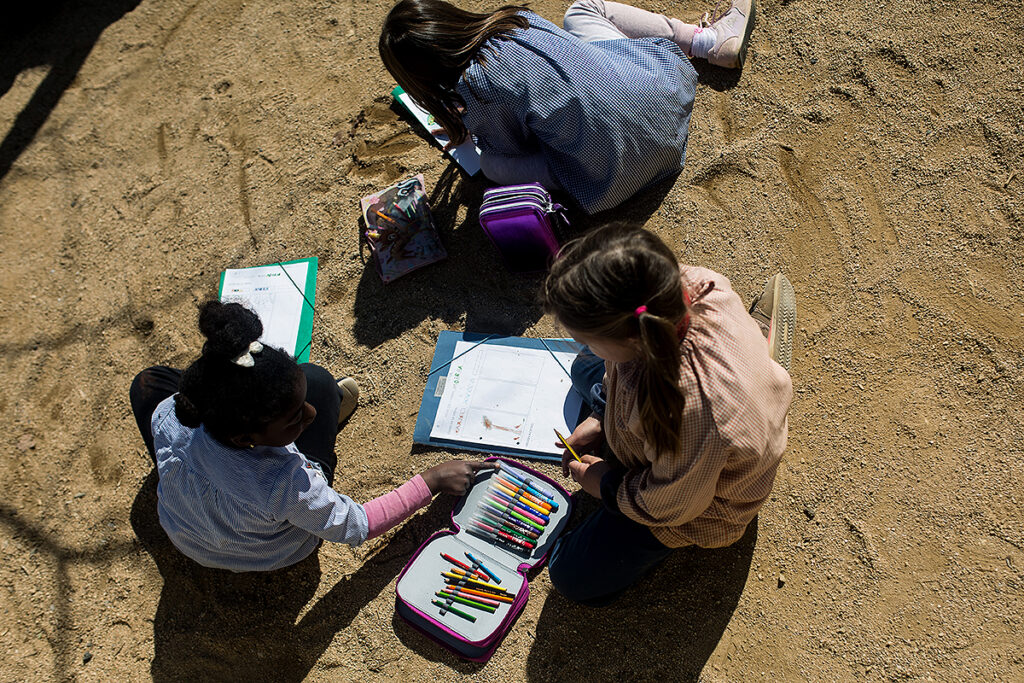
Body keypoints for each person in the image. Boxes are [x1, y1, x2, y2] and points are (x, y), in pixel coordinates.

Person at [129, 300, 494, 572]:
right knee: (319, 382)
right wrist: (430, 480)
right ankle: (318, 399)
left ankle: (247, 405)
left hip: (188, 537)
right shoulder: (287, 482)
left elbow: (158, 395)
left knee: (149, 383)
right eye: (294, 418)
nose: (310, 413)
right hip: (271, 552)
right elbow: (358, 524)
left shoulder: (171, 417)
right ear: (244, 438)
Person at [540, 224, 794, 605]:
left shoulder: (686, 414)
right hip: (682, 412)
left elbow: (672, 506)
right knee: (585, 368)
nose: (581, 342)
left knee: (568, 575)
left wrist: (606, 485)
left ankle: (757, 365)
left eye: (586, 336)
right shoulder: (689, 284)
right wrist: (601, 417)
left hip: (702, 503)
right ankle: (755, 354)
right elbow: (616, 371)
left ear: (630, 339)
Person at [378, 0, 755, 214]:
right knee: (583, 9)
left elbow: (515, 147)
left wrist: (476, 127)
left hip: (613, 176)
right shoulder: (514, 20)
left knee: (490, 163)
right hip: (664, 98)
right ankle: (705, 42)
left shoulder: (475, 87)